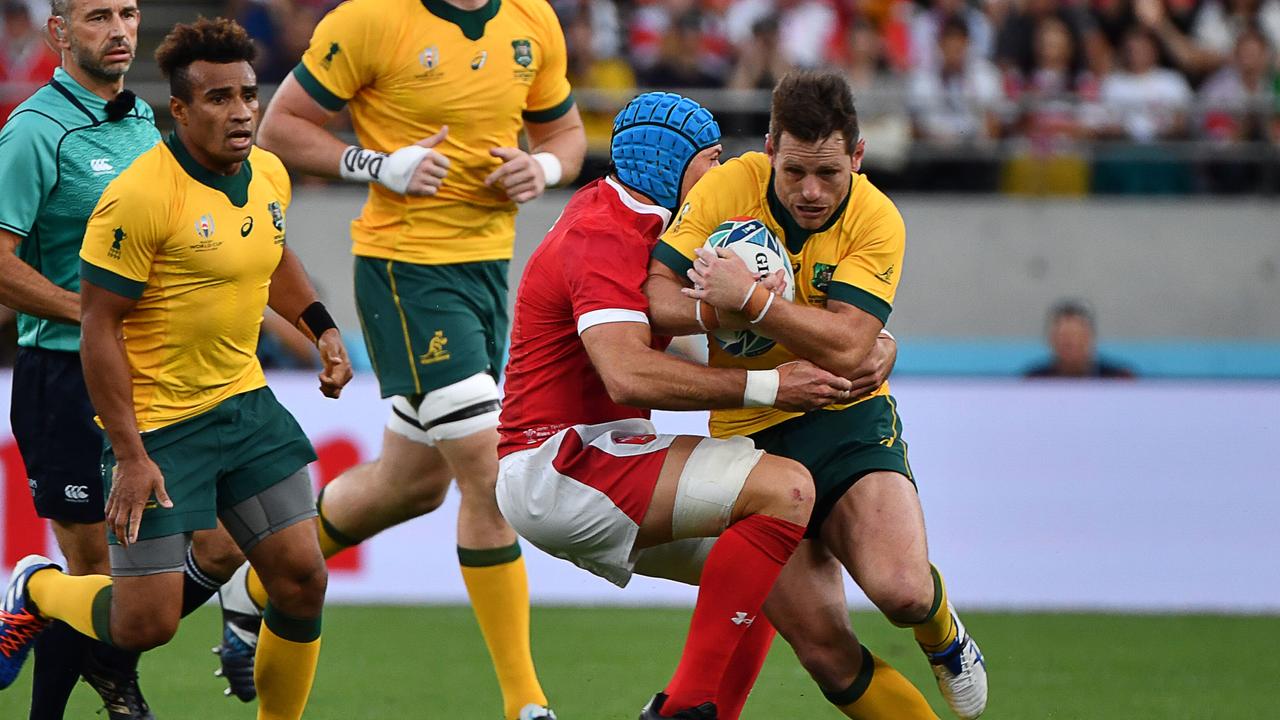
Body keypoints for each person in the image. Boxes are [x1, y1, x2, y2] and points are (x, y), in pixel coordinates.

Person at [214, 1, 587, 717]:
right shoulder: (369, 19)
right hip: (405, 273)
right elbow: (281, 125)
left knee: (409, 484)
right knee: (490, 468)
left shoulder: (532, 18)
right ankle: (526, 703)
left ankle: (253, 582)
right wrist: (377, 162)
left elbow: (566, 132)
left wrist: (542, 165)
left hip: (486, 273)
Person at [0, 18, 353, 720]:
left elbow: (273, 252)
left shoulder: (269, 173)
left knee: (301, 578)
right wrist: (129, 453)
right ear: (182, 110)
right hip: (160, 419)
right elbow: (99, 324)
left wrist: (322, 328)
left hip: (245, 405)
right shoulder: (141, 194)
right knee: (144, 622)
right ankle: (37, 589)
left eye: (248, 95)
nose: (243, 111)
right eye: (219, 98)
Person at [495, 91, 852, 720]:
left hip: (598, 454)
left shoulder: (650, 226)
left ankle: (705, 710)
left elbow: (703, 338)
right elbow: (629, 373)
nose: (717, 176)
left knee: (776, 567)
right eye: (708, 160)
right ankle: (681, 709)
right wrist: (769, 386)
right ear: (667, 162)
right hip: (558, 460)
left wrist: (842, 331)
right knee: (787, 489)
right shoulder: (604, 230)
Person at [648, 70, 989, 719]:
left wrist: (747, 300)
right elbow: (657, 300)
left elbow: (847, 347)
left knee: (902, 591)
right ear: (770, 148)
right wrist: (715, 316)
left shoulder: (877, 218)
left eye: (829, 173)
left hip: (846, 419)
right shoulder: (729, 188)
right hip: (749, 439)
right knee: (824, 648)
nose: (811, 191)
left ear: (857, 158)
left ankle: (942, 632)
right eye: (796, 170)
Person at [0, 2, 244, 717]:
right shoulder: (34, 132)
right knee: (97, 571)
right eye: (98, 15)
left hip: (159, 375)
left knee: (226, 541)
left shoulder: (144, 123)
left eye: (129, 13)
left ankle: (105, 656)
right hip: (67, 377)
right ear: (59, 33)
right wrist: (92, 313)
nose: (119, 29)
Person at [1025, 300, 1134, 378]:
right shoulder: (1034, 382)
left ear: (1090, 337)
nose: (1069, 343)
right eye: (1063, 336)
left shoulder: (1117, 380)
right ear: (1051, 339)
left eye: (1075, 335)